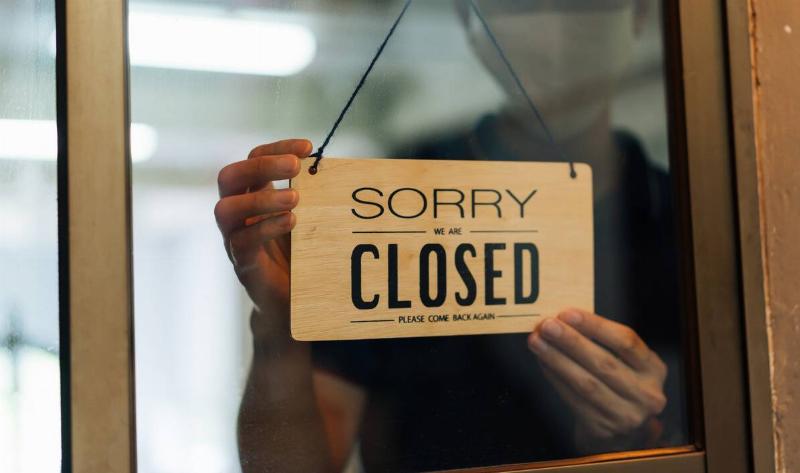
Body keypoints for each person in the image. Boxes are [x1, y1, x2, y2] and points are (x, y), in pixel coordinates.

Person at [214, 1, 685, 471]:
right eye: (519, 7)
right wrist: (279, 327)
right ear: (469, 20)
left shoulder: (690, 221)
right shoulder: (390, 200)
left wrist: (642, 442)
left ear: (641, 16)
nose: (552, 32)